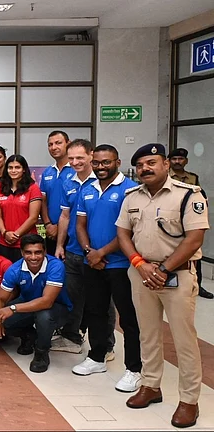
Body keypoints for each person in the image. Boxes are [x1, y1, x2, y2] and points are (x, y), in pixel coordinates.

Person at [117, 143, 209, 428]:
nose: (146, 168)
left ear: (166, 164)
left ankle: (189, 400)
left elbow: (194, 238)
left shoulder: (188, 195)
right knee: (148, 334)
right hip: (142, 272)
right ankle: (151, 385)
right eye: (141, 164)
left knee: (184, 340)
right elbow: (123, 232)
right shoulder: (132, 196)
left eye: (151, 162)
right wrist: (139, 263)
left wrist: (164, 269)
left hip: (177, 275)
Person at [71, 144, 142, 393]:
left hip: (121, 264)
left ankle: (134, 369)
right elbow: (80, 224)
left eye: (106, 162)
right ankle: (97, 357)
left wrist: (102, 253)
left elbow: (129, 230)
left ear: (117, 162)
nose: (101, 167)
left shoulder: (130, 190)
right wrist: (90, 252)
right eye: (97, 163)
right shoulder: (87, 189)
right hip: (93, 262)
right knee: (95, 312)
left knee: (128, 317)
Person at [0, 234, 71, 373]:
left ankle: (41, 353)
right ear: (22, 253)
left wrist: (13, 308)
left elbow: (46, 301)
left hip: (57, 307)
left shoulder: (55, 266)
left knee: (43, 316)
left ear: (45, 252)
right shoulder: (15, 269)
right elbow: (0, 299)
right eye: (28, 252)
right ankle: (29, 336)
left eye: (38, 252)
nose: (33, 257)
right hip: (28, 304)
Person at [53, 139, 97, 354]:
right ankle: (71, 337)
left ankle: (105, 346)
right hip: (72, 250)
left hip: (99, 253)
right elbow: (64, 215)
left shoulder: (101, 181)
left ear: (91, 155)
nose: (75, 162)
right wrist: (60, 245)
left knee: (100, 301)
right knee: (72, 295)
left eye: (80, 157)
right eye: (71, 158)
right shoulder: (68, 181)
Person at [169, 148, 212, 299]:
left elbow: (199, 196)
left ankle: (197, 285)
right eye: (174, 159)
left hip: (188, 220)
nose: (177, 162)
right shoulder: (165, 177)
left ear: (186, 161)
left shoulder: (193, 178)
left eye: (180, 159)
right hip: (170, 220)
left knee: (193, 253)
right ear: (168, 161)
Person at [0, 155, 42, 263]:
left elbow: (33, 218)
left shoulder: (33, 188)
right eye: (10, 167)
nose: (13, 170)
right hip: (4, 241)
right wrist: (5, 233)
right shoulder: (0, 188)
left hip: (27, 243)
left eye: (17, 167)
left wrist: (16, 235)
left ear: (24, 169)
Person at [39, 131, 75, 255]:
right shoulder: (47, 172)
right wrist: (48, 224)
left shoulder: (77, 170)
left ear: (68, 144)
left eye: (58, 143)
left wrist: (60, 228)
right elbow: (43, 200)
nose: (54, 147)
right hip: (51, 233)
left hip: (73, 233)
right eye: (50, 144)